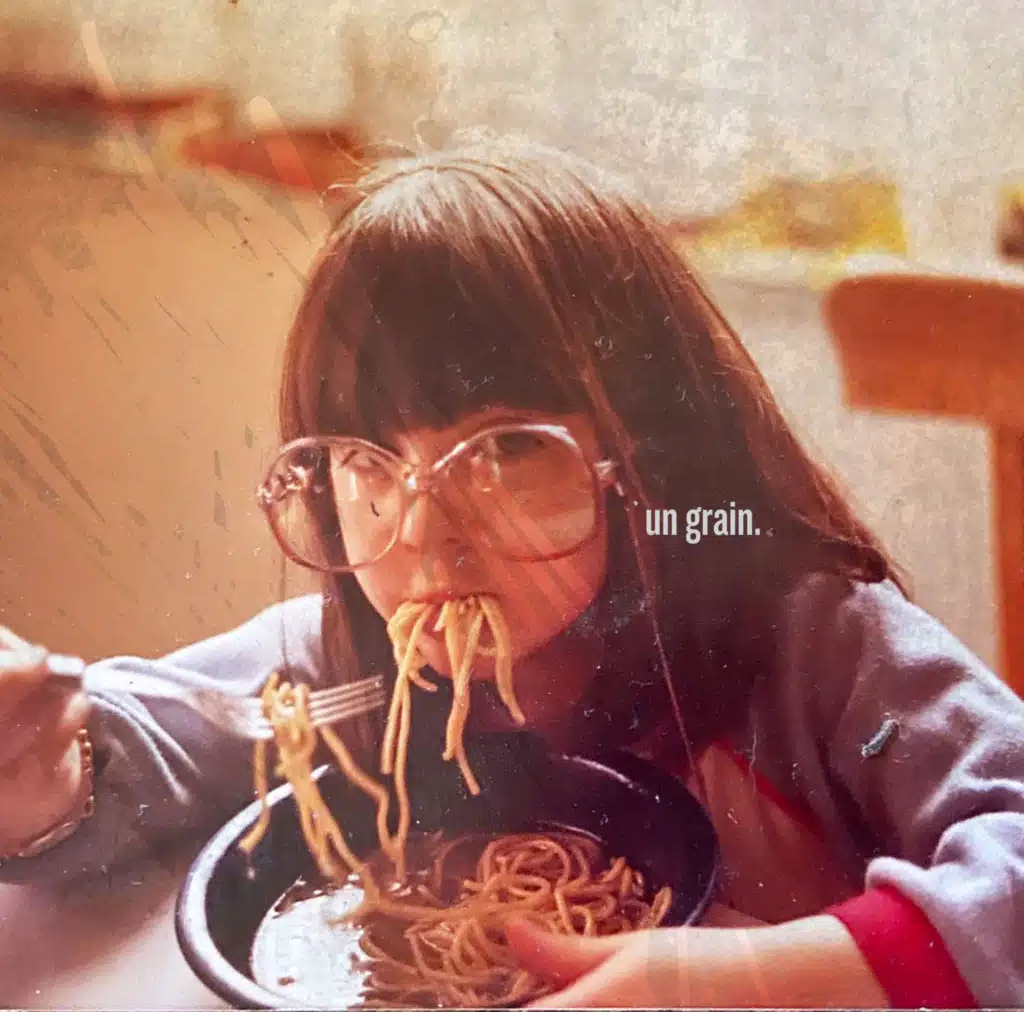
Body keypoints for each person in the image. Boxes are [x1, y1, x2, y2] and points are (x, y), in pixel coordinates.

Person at [1, 140, 1022, 1009]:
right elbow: (142, 741)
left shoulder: (811, 645)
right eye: (366, 462)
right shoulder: (342, 663)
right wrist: (40, 772)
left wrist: (757, 978)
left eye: (503, 450)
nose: (425, 535)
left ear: (647, 463)